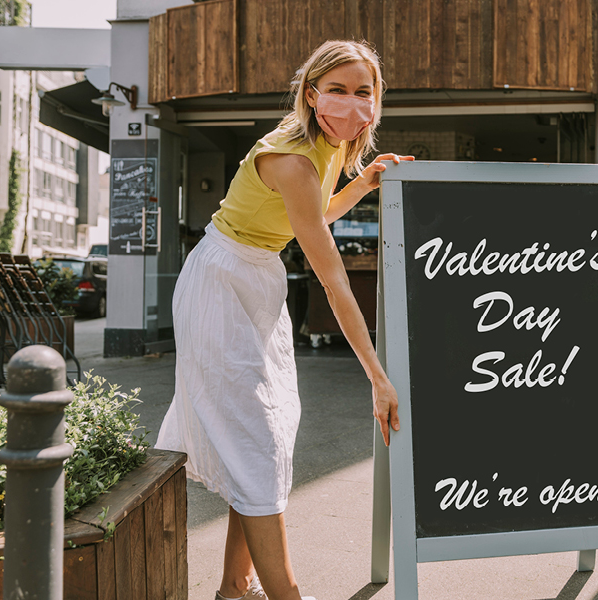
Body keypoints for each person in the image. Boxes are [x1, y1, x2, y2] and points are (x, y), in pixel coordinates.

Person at [155, 40, 409, 600]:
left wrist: (363, 183)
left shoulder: (331, 147)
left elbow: (310, 215)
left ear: (377, 99)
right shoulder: (292, 156)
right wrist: (377, 376)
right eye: (337, 90)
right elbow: (335, 280)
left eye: (362, 91)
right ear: (312, 93)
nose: (350, 102)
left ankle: (232, 588)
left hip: (256, 277)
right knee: (256, 442)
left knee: (266, 434)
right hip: (222, 281)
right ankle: (285, 595)